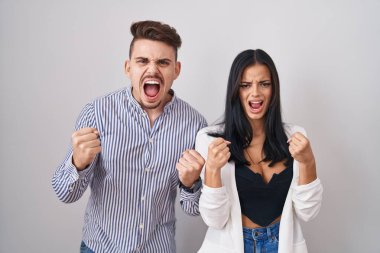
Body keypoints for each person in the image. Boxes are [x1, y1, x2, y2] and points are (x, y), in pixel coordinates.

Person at [52, 20, 207, 253]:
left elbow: (194, 209)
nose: (152, 70)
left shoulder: (194, 124)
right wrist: (78, 163)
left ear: (176, 70)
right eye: (142, 61)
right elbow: (65, 193)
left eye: (163, 62)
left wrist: (191, 182)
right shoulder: (97, 113)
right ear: (128, 68)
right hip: (100, 248)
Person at [195, 49, 323, 253]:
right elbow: (214, 219)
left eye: (264, 84)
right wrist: (211, 169)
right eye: (245, 85)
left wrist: (308, 161)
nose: (255, 93)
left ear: (274, 89)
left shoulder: (296, 136)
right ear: (235, 91)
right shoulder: (209, 140)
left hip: (281, 244)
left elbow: (308, 212)